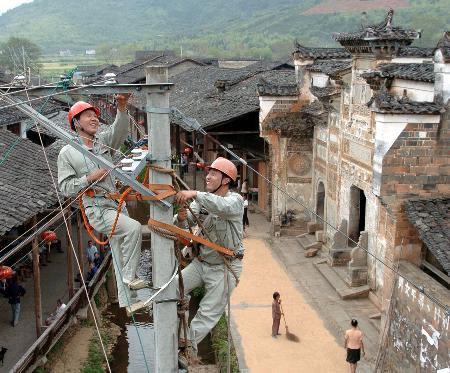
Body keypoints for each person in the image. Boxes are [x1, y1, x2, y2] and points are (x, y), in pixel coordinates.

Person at [58, 95, 144, 311]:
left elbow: (119, 130)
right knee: (133, 229)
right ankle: (129, 277)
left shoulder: (102, 142)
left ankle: (127, 301)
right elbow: (66, 188)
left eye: (95, 116)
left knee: (117, 250)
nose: (94, 119)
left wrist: (122, 107)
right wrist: (89, 178)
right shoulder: (67, 153)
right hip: (96, 208)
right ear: (76, 123)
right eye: (88, 116)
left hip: (115, 205)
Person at [174, 157, 244, 362]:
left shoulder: (235, 201)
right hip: (201, 263)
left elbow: (222, 207)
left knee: (207, 313)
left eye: (213, 173)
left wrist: (195, 193)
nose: (208, 176)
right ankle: (179, 335)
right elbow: (183, 229)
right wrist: (180, 218)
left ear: (225, 180)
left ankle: (187, 351)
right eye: (208, 172)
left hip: (224, 267)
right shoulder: (200, 204)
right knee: (171, 291)